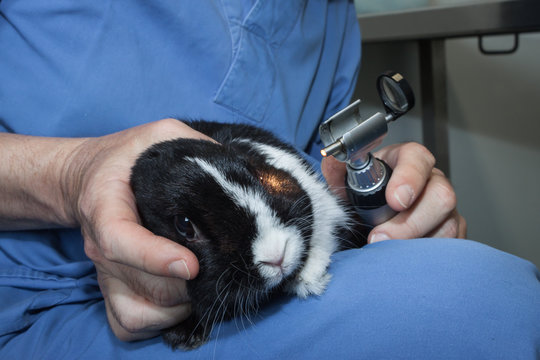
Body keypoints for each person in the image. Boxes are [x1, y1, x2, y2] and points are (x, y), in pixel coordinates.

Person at [0, 1, 538, 359]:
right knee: (480, 303)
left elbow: (306, 162)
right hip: (35, 305)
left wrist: (369, 193)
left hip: (255, 284)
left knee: (470, 290)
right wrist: (67, 175)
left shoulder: (327, 15)